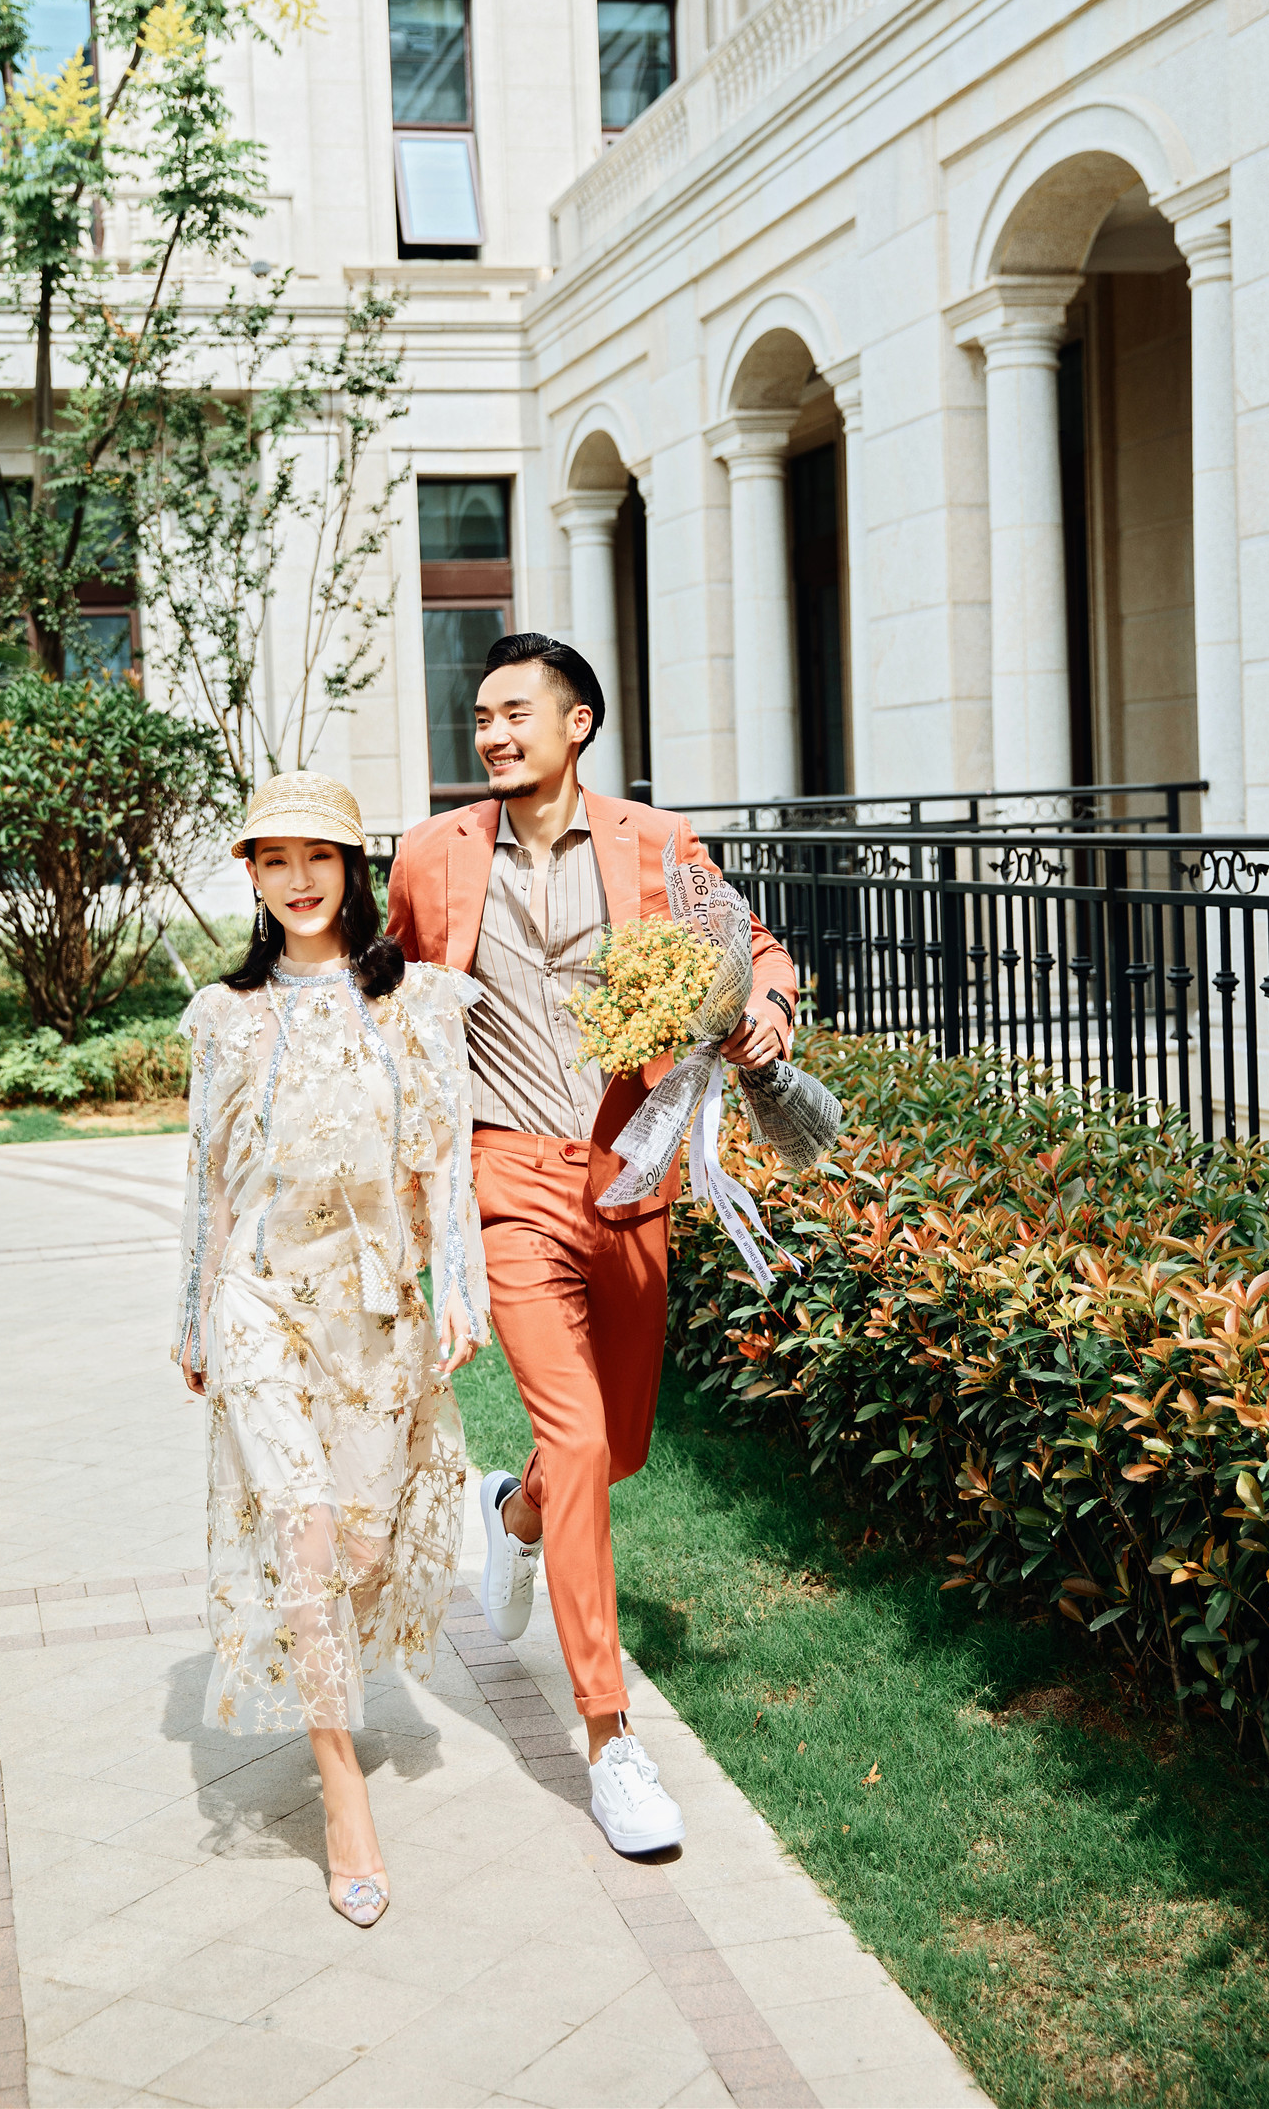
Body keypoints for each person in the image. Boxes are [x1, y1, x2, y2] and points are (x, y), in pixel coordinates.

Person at [385, 633, 796, 1855]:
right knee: (574, 1433)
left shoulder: (658, 845)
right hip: (506, 1178)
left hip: (628, 1174)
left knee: (611, 1449)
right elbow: (388, 986)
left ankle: (514, 1514)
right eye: (481, 716)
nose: (492, 733)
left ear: (579, 725)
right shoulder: (432, 854)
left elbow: (755, 946)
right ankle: (611, 1742)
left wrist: (765, 1009)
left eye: (516, 712)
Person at [175, 770, 487, 1928]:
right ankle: (342, 1788)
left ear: (353, 868)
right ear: (253, 876)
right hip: (258, 1303)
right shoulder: (223, 1016)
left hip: (374, 1313)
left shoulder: (421, 1005)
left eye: (318, 856)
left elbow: (445, 1162)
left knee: (358, 1545)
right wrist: (192, 1312)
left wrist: (456, 1291)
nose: (297, 880)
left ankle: (333, 1685)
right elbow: (206, 1178)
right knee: (301, 1529)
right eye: (274, 859)